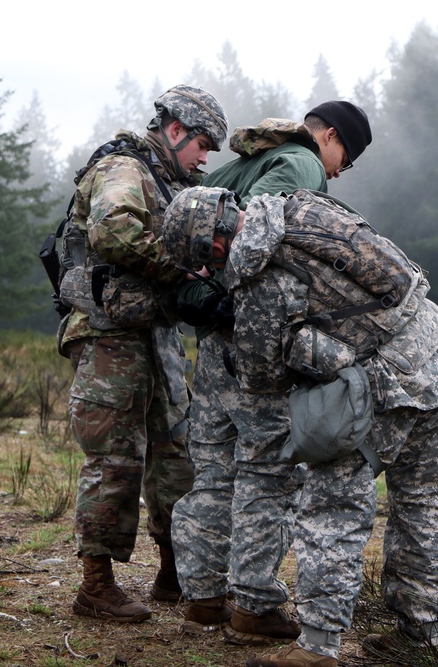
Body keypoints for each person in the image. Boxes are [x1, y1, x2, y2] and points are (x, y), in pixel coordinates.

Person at [162, 185, 438, 667]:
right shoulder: (300, 206)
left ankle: (320, 647)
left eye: (204, 261)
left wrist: (301, 350)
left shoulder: (260, 278)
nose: (209, 272)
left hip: (381, 388)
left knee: (332, 509)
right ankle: (420, 633)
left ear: (213, 246)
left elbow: (261, 379)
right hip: (436, 357)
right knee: (426, 503)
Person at [170, 102, 373, 641]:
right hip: (253, 338)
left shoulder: (238, 165)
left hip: (215, 342)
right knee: (266, 471)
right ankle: (254, 606)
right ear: (329, 136)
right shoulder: (303, 163)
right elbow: (254, 239)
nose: (336, 172)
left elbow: (197, 235)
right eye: (345, 160)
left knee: (213, 469)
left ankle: (204, 597)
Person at [57, 84, 228, 622]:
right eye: (202, 144)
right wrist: (183, 274)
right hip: (110, 332)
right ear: (174, 131)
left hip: (154, 332)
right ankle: (96, 586)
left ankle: (175, 573)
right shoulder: (124, 169)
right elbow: (113, 232)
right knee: (114, 458)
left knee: (176, 450)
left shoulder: (168, 179)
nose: (204, 158)